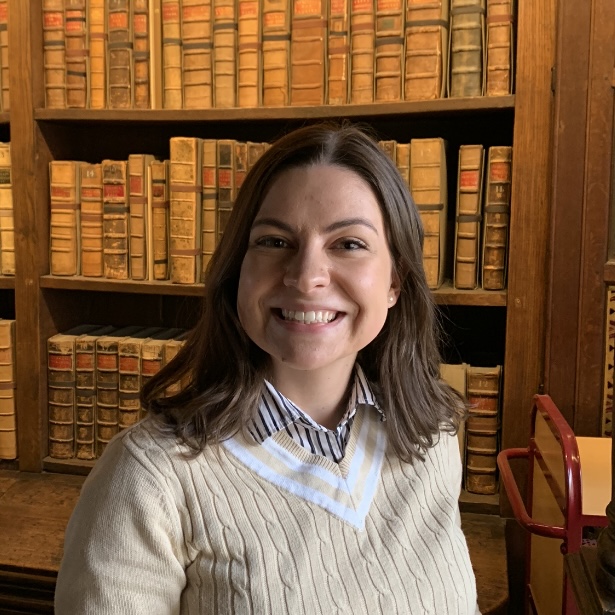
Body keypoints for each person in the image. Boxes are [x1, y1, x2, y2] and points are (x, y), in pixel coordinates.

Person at [55, 123, 480, 614]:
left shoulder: (433, 438)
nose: (306, 277)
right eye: (276, 242)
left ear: (395, 282)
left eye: (348, 244)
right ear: (238, 270)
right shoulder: (151, 478)